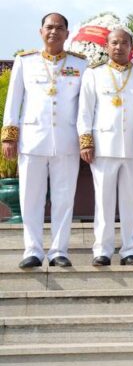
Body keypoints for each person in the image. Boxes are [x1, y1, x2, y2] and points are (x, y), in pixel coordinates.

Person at [3, 13, 88, 269]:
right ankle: (32, 249)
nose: (54, 32)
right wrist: (9, 136)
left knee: (64, 197)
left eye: (59, 28)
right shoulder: (25, 61)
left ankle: (59, 250)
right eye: (49, 27)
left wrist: (85, 140)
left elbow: (84, 107)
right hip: (32, 140)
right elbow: (13, 101)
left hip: (66, 140)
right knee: (31, 197)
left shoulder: (80, 64)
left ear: (67, 33)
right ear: (41, 31)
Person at [77, 27, 133, 266]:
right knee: (104, 201)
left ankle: (129, 248)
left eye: (124, 43)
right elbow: (85, 112)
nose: (119, 47)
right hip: (103, 147)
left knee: (130, 201)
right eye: (114, 43)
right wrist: (86, 141)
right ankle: (103, 249)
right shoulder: (93, 75)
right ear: (106, 46)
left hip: (132, 147)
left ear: (131, 47)